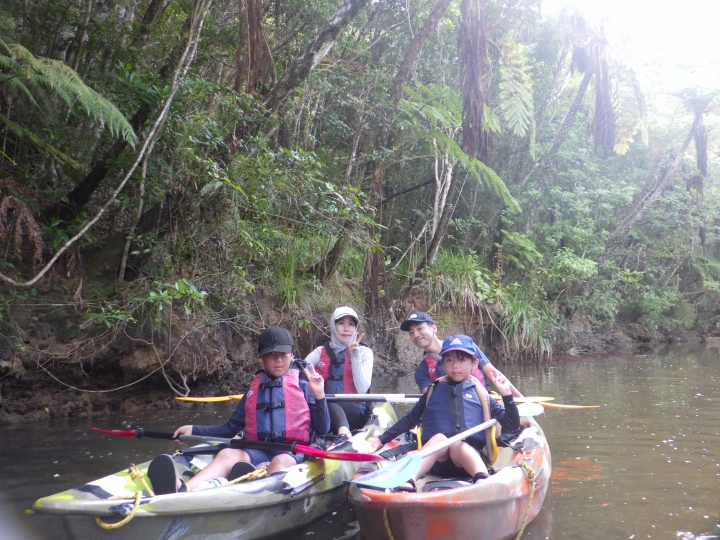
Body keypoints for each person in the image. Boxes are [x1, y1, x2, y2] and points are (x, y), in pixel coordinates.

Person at [147, 326, 330, 494]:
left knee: (280, 461)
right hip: (259, 450)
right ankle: (185, 488)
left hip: (292, 453)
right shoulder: (254, 390)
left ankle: (252, 488)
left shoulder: (305, 386)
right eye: (271, 354)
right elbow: (230, 428)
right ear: (261, 359)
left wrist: (319, 395)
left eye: (282, 353)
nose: (278, 359)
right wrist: (194, 430)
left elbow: (323, 429)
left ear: (292, 354)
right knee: (228, 453)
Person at [368, 334, 520, 491]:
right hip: (437, 462)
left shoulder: (482, 395)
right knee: (440, 438)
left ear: (474, 364)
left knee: (456, 443)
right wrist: (381, 439)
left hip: (470, 460)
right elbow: (410, 419)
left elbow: (512, 427)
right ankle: (409, 479)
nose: (455, 365)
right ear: (443, 364)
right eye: (449, 360)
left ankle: (481, 478)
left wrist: (507, 396)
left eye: (461, 360)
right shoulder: (433, 391)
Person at [400, 311, 523, 398]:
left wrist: (521, 400)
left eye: (420, 328)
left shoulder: (466, 346)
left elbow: (494, 375)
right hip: (453, 413)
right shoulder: (422, 370)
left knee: (528, 421)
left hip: (485, 403)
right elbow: (430, 398)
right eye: (411, 332)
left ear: (434, 328)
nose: (416, 335)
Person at [304, 306, 373, 436]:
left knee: (329, 401)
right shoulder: (319, 352)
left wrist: (355, 355)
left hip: (355, 412)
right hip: (324, 414)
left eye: (351, 324)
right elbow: (300, 371)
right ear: (333, 326)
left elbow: (362, 390)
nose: (346, 329)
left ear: (356, 328)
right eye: (341, 323)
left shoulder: (365, 353)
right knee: (324, 402)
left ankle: (344, 433)